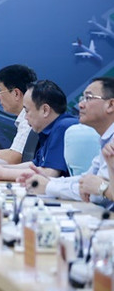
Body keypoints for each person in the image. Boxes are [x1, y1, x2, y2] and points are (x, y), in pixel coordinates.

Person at [20, 77, 114, 205]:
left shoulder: (63, 126)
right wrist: (48, 181)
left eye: (88, 98)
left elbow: (97, 193)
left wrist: (48, 186)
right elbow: (87, 180)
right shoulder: (105, 140)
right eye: (82, 98)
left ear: (110, 105)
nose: (80, 104)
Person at [0, 80, 75, 181]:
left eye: (27, 111)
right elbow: (34, 165)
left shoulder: (63, 127)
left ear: (45, 110)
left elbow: (48, 173)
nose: (25, 117)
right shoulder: (49, 130)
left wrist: (2, 173)